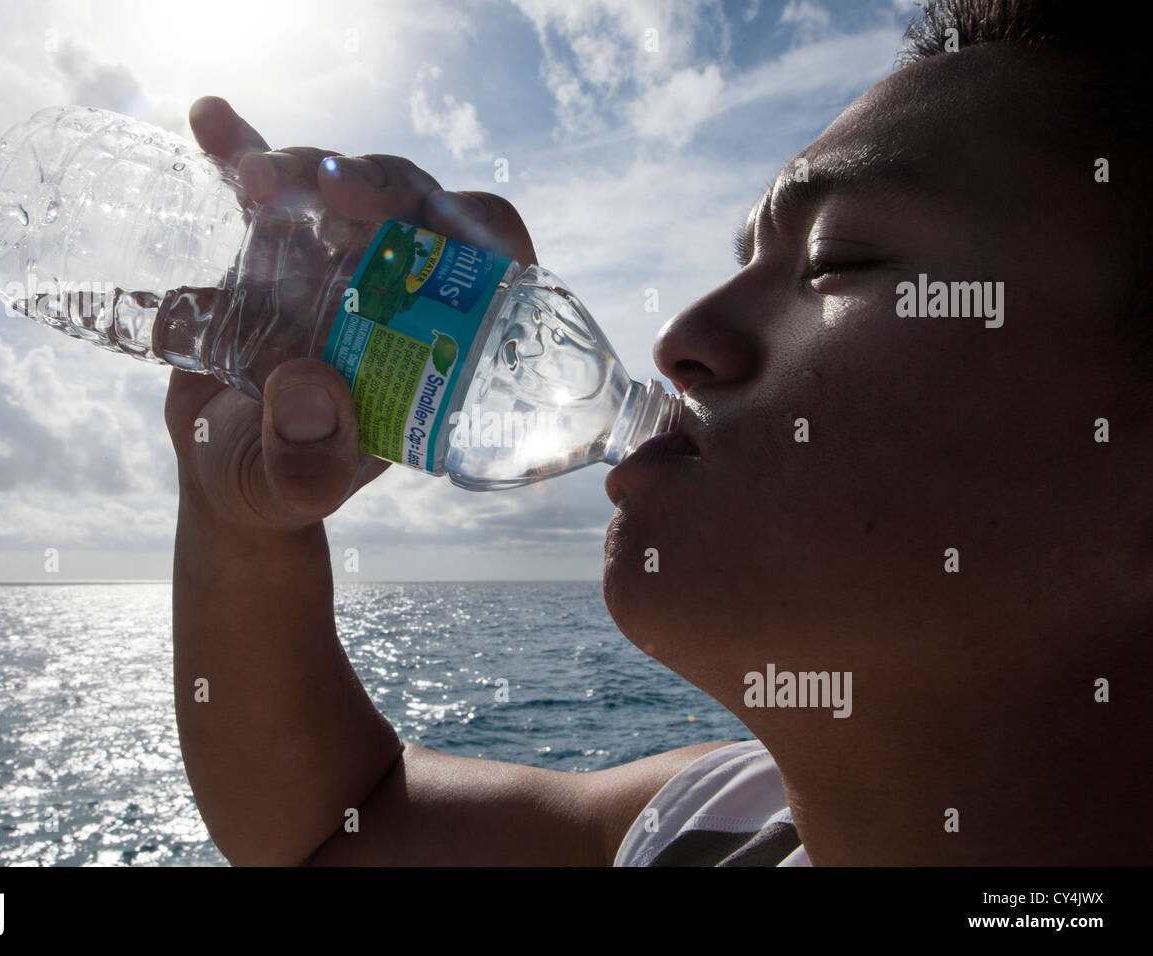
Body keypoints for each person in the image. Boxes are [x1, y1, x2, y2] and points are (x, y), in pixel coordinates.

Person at [165, 0, 1152, 865]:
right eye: (744, 259)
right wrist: (244, 521)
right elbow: (333, 829)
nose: (679, 338)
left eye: (837, 259)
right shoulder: (708, 826)